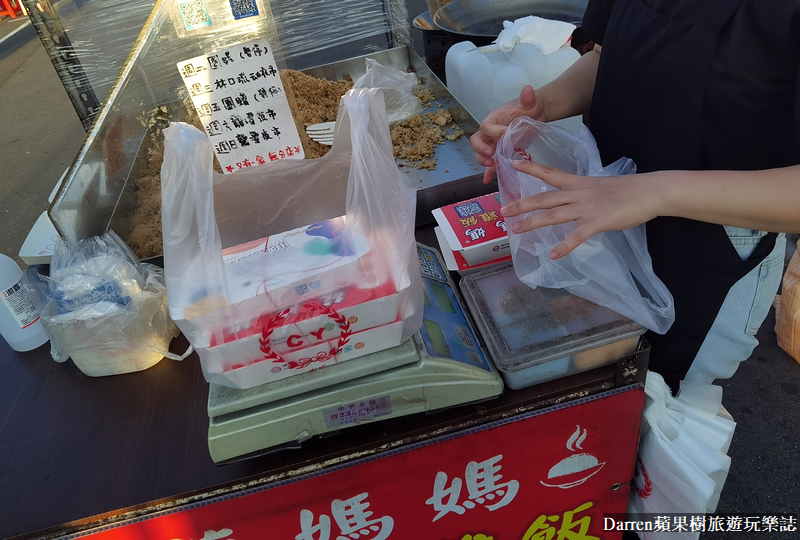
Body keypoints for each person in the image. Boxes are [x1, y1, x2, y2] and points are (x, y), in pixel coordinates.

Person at [471, 0, 800, 394]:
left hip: (711, 243)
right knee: (590, 382)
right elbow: (609, 56)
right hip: (604, 206)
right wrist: (544, 106)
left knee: (662, 401)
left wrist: (652, 190)